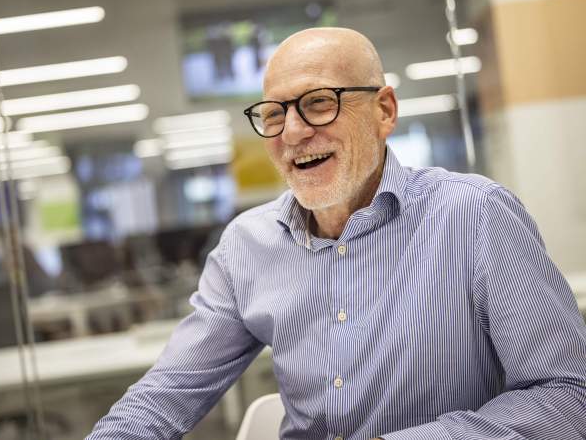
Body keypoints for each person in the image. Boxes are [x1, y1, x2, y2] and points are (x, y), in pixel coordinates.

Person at [87, 28, 586, 440]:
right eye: (274, 114)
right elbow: (164, 398)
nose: (293, 133)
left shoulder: (475, 216)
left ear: (384, 111)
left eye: (320, 103)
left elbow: (568, 397)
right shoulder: (247, 246)